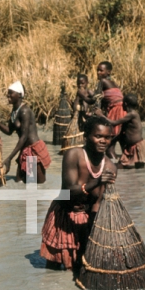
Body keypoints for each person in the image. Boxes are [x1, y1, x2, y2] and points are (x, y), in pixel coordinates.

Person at [40, 116, 117, 273]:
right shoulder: (74, 155)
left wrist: (94, 234)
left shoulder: (110, 167)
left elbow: (98, 202)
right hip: (64, 215)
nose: (103, 141)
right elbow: (68, 191)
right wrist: (96, 181)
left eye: (108, 137)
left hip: (87, 219)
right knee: (53, 269)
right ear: (86, 136)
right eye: (98, 136)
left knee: (80, 266)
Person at [0, 81, 51, 184]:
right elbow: (9, 131)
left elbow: (23, 137)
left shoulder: (25, 111)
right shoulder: (14, 112)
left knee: (34, 184)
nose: (8, 95)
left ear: (19, 95)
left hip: (33, 151)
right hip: (24, 150)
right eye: (8, 92)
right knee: (19, 182)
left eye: (11, 92)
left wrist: (10, 157)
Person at [106, 93, 145, 169]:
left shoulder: (132, 114)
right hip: (130, 147)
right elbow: (122, 131)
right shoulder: (131, 115)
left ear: (125, 104)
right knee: (124, 166)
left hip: (137, 146)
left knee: (139, 168)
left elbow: (114, 122)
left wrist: (101, 115)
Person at [96, 61, 126, 158]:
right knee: (118, 139)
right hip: (122, 110)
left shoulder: (102, 82)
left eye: (101, 70)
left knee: (110, 143)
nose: (98, 73)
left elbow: (97, 98)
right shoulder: (113, 83)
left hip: (116, 110)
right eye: (97, 70)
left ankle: (112, 164)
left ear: (108, 72)